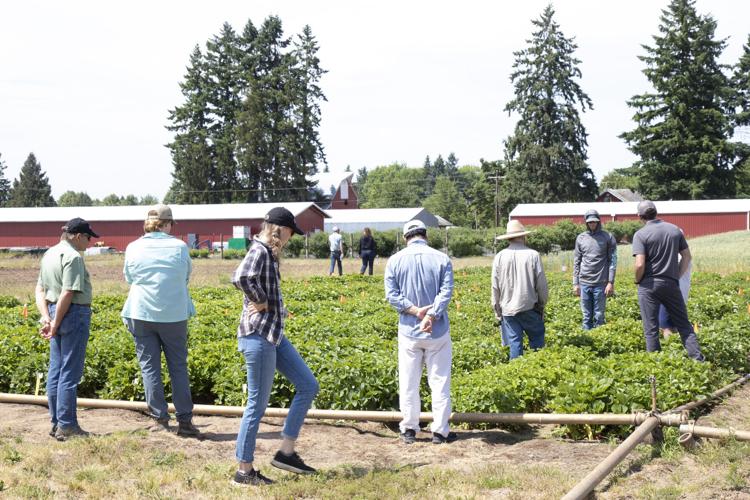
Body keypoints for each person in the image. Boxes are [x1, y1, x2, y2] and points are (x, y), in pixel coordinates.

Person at [231, 207, 320, 486]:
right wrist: (261, 300)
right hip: (258, 336)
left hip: (273, 335)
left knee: (308, 385)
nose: (291, 238)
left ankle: (286, 452)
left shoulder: (269, 252)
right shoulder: (259, 250)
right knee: (256, 405)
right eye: (291, 232)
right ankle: (244, 471)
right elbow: (240, 277)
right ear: (278, 229)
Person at [121, 204, 199, 437]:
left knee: (149, 367)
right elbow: (185, 276)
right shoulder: (179, 247)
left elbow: (129, 278)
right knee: (178, 367)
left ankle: (160, 418)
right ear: (167, 224)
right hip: (173, 315)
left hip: (141, 312)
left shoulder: (133, 247)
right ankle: (184, 422)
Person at [384, 220, 455, 445]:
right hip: (438, 331)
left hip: (409, 332)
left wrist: (415, 312)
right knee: (440, 382)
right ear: (425, 235)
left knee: (408, 381)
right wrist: (431, 315)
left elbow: (391, 295)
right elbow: (446, 293)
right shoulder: (442, 259)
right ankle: (440, 431)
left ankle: (409, 429)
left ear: (406, 237)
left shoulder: (395, 260)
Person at [35, 218, 98, 441]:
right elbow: (68, 292)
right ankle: (68, 425)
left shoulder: (50, 253)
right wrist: (57, 322)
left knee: (57, 370)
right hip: (72, 314)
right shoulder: (72, 257)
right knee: (69, 373)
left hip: (54, 312)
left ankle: (56, 422)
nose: (89, 242)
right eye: (88, 238)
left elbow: (40, 289)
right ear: (78, 236)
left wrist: (47, 318)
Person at [632, 201, 704, 361]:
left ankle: (657, 365)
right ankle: (698, 360)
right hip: (671, 283)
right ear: (656, 212)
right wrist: (676, 276)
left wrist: (638, 280)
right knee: (683, 324)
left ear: (639, 216)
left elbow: (639, 264)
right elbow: (687, 256)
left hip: (648, 285)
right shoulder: (674, 230)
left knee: (651, 328)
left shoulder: (640, 234)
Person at [491, 220, 548, 360]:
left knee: (515, 343)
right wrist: (542, 304)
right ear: (523, 236)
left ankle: (517, 373)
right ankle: (538, 370)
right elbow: (541, 284)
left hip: (508, 309)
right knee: (537, 339)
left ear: (508, 238)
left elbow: (495, 285)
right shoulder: (533, 255)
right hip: (529, 307)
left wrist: (497, 308)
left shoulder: (499, 257)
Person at [573, 209, 617, 330]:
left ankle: (599, 340)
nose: (592, 224)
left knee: (599, 316)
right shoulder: (581, 238)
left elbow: (613, 261)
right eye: (590, 222)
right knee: (586, 316)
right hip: (584, 282)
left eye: (595, 222)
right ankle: (587, 342)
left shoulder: (608, 237)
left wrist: (610, 282)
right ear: (586, 222)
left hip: (601, 283)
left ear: (599, 222)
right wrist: (575, 283)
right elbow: (576, 262)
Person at [659, 255, 692, 338]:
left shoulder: (675, 256)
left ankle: (671, 347)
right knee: (675, 326)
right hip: (680, 296)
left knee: (665, 327)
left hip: (670, 294)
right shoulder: (683, 255)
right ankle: (678, 346)